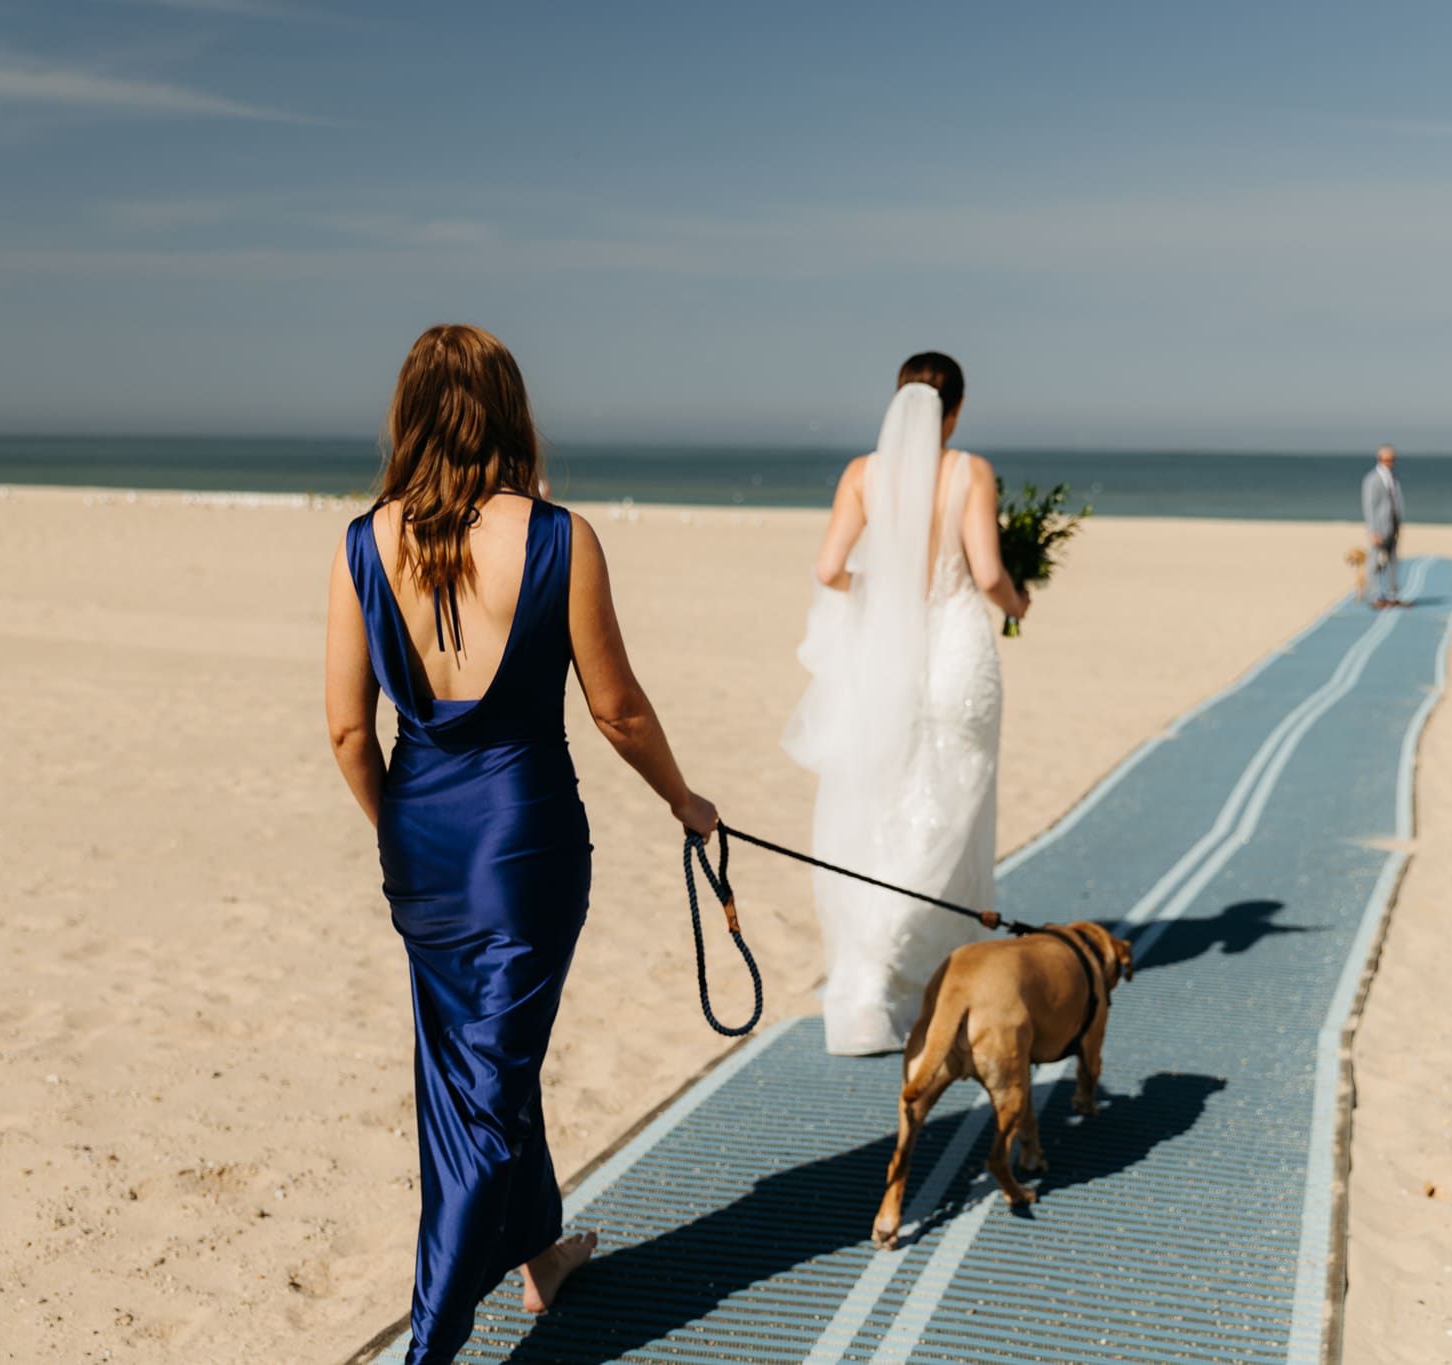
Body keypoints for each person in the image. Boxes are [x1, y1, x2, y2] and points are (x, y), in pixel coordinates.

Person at [323, 324, 717, 1364]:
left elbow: (348, 732)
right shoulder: (558, 536)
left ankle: (538, 1256)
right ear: (510, 408)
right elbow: (618, 708)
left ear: (409, 411)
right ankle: (429, 1351)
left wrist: (402, 833)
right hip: (523, 845)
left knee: (476, 1067)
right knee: (481, 1105)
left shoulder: (366, 541)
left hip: (422, 846)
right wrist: (684, 800)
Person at [781, 352, 1030, 1056]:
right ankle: (915, 962)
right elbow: (987, 573)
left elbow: (829, 569)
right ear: (953, 412)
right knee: (954, 804)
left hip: (885, 662)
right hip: (955, 654)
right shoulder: (969, 471)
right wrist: (1020, 600)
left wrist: (881, 598)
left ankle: (865, 981)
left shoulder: (863, 474)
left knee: (887, 805)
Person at [1361, 443, 1406, 608]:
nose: (1389, 462)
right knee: (1374, 562)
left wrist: (1399, 524)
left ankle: (1392, 595)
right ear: (1379, 459)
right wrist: (1373, 531)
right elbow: (1369, 506)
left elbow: (1396, 501)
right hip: (1379, 528)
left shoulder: (1394, 478)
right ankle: (1374, 596)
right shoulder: (1371, 480)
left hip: (1393, 526)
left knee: (1393, 562)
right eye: (1386, 459)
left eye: (1392, 459)